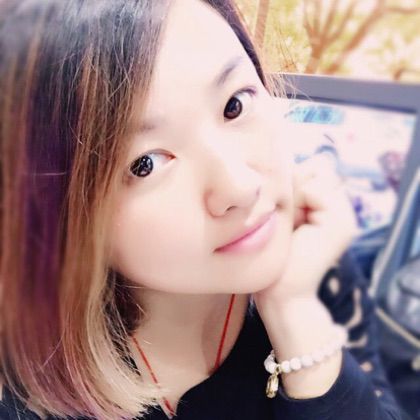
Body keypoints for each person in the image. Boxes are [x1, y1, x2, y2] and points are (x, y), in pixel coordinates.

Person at [0, 0, 402, 419]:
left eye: (235, 105)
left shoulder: (313, 255)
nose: (240, 187)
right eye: (145, 163)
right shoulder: (27, 374)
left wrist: (297, 318)